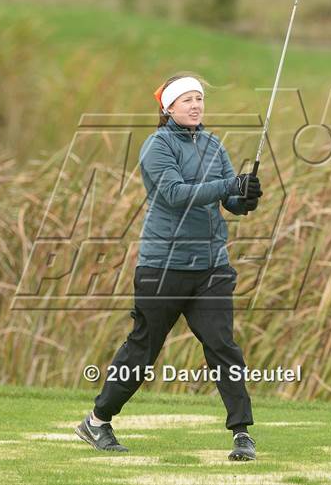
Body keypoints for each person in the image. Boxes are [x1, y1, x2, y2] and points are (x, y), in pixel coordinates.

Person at [76, 73, 263, 461]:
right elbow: (176, 195)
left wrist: (245, 197)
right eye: (187, 100)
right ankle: (97, 421)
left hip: (211, 266)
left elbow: (228, 201)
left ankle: (242, 434)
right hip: (163, 266)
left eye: (199, 99)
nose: (196, 105)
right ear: (169, 108)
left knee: (222, 346)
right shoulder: (156, 146)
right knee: (144, 349)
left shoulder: (213, 143)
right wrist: (229, 184)